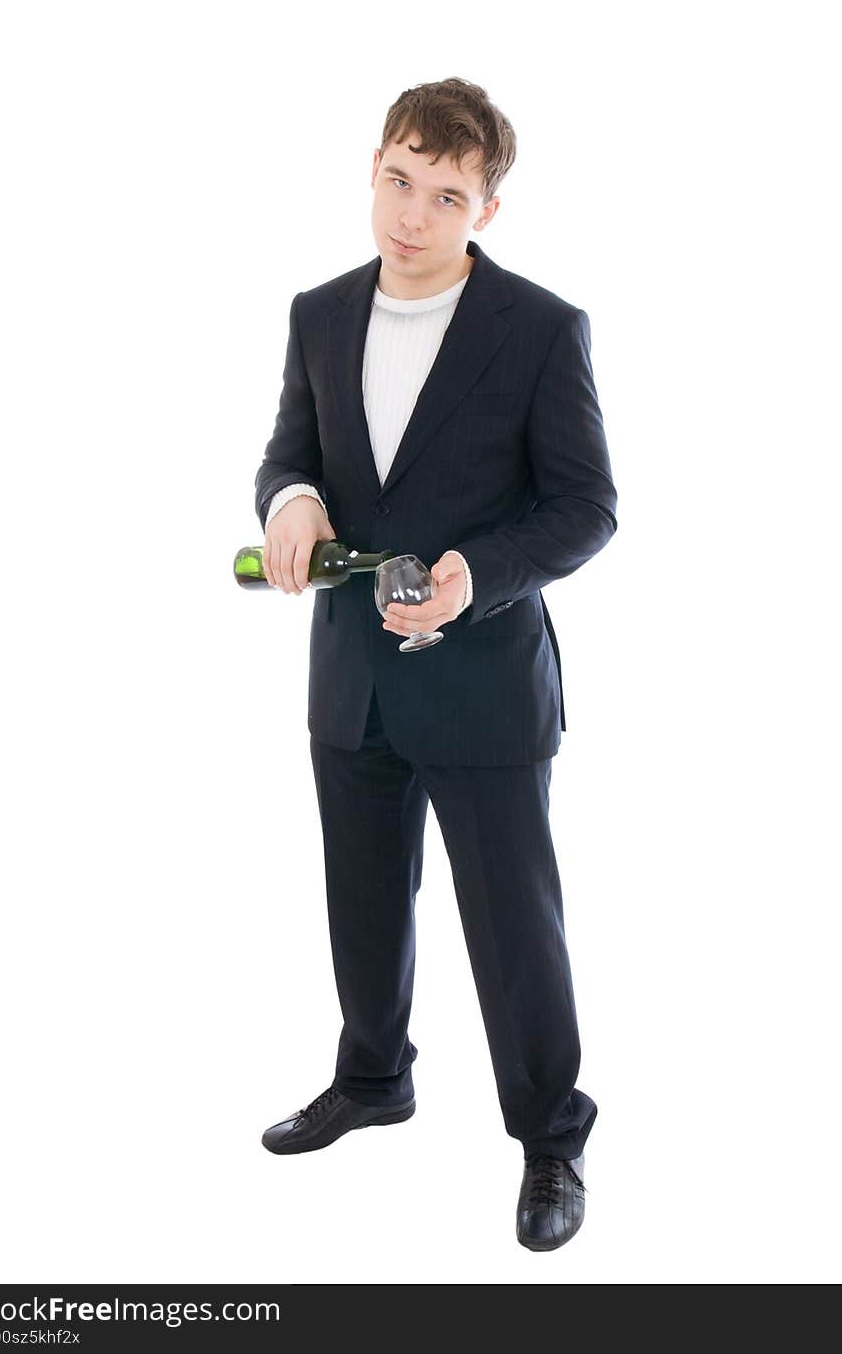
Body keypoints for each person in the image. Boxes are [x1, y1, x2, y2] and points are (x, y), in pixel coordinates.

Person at [253, 77, 618, 1251]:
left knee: (515, 927)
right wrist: (293, 503)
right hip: (352, 677)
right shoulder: (316, 312)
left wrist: (475, 573)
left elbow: (585, 506)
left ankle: (551, 1136)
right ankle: (373, 1077)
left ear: (487, 209)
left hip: (484, 682)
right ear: (373, 167)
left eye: (446, 194)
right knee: (361, 904)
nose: (413, 215)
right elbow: (288, 456)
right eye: (399, 180)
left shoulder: (541, 329)